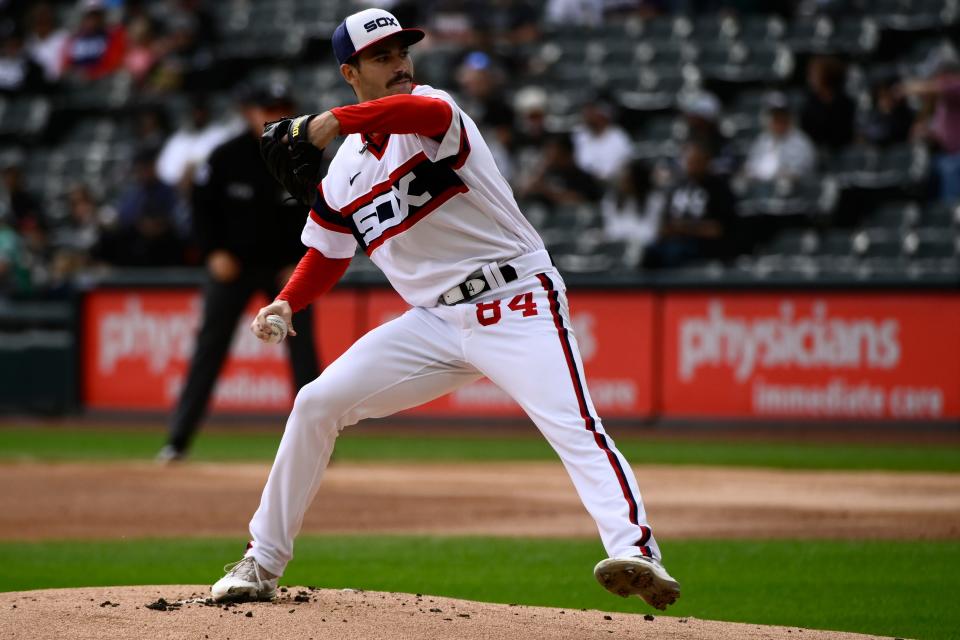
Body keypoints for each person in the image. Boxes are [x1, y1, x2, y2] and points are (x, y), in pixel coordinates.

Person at [209, 8, 680, 613]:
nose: (400, 63)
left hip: (516, 301)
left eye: (403, 51)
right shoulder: (345, 172)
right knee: (315, 402)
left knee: (573, 424)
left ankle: (637, 551)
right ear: (350, 71)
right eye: (381, 57)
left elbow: (417, 112)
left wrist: (329, 118)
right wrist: (286, 300)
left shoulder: (429, 109)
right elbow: (326, 251)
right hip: (432, 323)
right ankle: (261, 562)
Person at [156, 83, 322, 462]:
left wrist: (301, 261)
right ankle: (177, 441)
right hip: (233, 268)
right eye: (268, 107)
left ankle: (317, 444)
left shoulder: (303, 156)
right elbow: (199, 209)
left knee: (305, 356)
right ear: (248, 112)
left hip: (287, 272)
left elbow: (320, 211)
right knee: (208, 351)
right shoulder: (226, 155)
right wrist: (212, 252)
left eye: (284, 106)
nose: (276, 113)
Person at [642, 141, 737, 268]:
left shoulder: (719, 188)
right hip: (674, 242)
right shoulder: (678, 187)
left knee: (674, 253)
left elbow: (719, 229)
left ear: (707, 162)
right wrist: (669, 229)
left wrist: (684, 228)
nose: (690, 165)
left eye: (695, 161)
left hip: (704, 246)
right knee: (648, 253)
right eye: (688, 161)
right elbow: (664, 225)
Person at [743, 92, 816, 182]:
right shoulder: (762, 140)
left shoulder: (801, 142)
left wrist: (788, 176)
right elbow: (750, 167)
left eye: (782, 116)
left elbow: (804, 173)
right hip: (760, 191)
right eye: (775, 117)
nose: (779, 122)